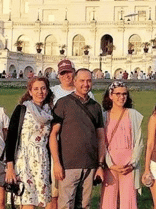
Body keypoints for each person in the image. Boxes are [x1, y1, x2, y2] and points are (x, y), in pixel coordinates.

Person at [50, 68, 105, 209]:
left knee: (84, 204)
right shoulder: (63, 103)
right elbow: (53, 135)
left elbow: (100, 138)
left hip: (89, 163)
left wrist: (99, 165)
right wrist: (56, 163)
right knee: (66, 204)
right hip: (68, 164)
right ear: (74, 82)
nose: (85, 84)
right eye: (82, 80)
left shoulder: (95, 107)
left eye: (89, 81)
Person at [6, 77, 56, 208]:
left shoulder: (49, 112)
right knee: (28, 202)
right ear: (30, 91)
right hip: (24, 159)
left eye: (43, 88)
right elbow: (11, 139)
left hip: (42, 160)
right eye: (36, 89)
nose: (40, 92)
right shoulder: (22, 110)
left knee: (44, 201)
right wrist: (10, 167)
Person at [100, 81, 144, 209]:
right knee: (108, 199)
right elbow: (101, 142)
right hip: (111, 163)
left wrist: (133, 163)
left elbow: (139, 142)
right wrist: (110, 164)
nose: (121, 97)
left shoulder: (133, 115)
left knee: (129, 200)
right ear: (111, 95)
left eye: (124, 94)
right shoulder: (104, 116)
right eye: (117, 94)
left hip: (128, 163)